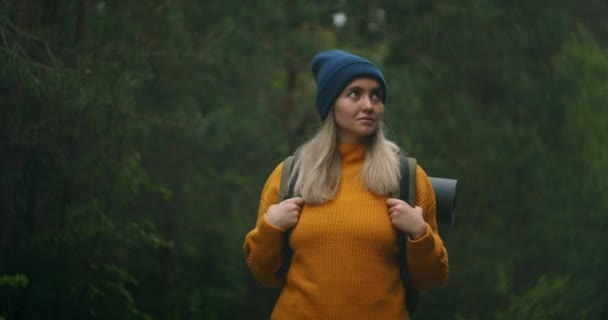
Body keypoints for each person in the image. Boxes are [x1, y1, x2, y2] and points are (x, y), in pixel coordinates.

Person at [243, 49, 449, 320]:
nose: (369, 105)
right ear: (331, 103)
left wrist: (419, 234)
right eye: (355, 94)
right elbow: (263, 273)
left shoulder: (406, 176)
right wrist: (271, 229)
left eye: (376, 95)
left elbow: (432, 278)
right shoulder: (291, 174)